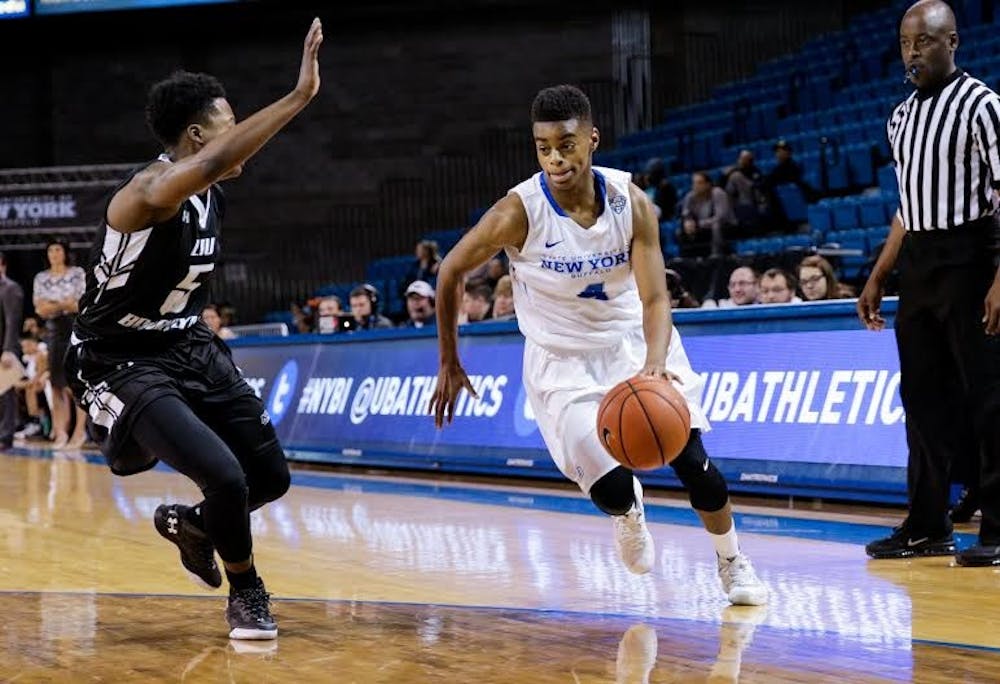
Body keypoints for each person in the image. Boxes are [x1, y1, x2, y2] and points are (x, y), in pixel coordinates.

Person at [430, 84, 767, 605]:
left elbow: (656, 299)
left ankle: (732, 563)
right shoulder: (517, 212)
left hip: (633, 343)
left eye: (566, 144)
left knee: (696, 467)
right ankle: (629, 510)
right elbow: (450, 269)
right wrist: (450, 359)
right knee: (611, 491)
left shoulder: (631, 203)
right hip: (562, 361)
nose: (556, 159)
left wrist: (654, 366)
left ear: (593, 139)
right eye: (543, 148)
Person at [64, 19, 324, 639]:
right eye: (230, 123)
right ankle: (248, 592)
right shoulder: (146, 192)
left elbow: (216, 168)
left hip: (187, 342)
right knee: (226, 476)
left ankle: (193, 525)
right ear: (199, 134)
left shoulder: (213, 196)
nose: (240, 140)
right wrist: (299, 96)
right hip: (118, 356)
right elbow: (216, 160)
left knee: (269, 479)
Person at [858, 0, 1000, 566]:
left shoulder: (983, 106)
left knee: (988, 398)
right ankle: (927, 524)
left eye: (925, 41)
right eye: (906, 43)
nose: (913, 52)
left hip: (973, 256)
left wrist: (998, 280)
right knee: (920, 398)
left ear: (953, 43)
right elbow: (907, 205)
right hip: (919, 262)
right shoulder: (899, 117)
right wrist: (879, 273)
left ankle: (997, 526)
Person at [32, 239, 88, 448]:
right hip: (54, 331)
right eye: (50, 250)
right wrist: (64, 304)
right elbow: (40, 309)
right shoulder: (41, 277)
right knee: (55, 384)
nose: (54, 254)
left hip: (74, 328)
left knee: (74, 384)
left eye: (57, 249)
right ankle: (60, 431)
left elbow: (79, 304)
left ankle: (79, 431)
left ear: (65, 252)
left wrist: (55, 304)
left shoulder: (77, 273)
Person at [0, 252, 24, 451]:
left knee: (5, 393)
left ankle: (5, 436)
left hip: (4, 349)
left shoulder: (10, 288)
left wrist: (8, 350)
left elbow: (12, 321)